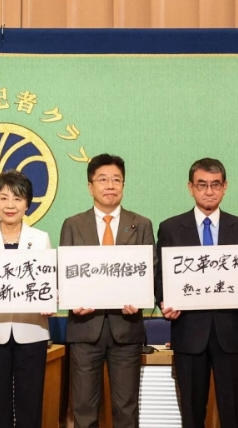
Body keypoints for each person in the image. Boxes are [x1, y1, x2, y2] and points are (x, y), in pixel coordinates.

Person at [155, 157, 238, 428]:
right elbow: (160, 275)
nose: (209, 191)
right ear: (190, 187)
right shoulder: (170, 228)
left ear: (225, 187)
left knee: (235, 411)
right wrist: (163, 301)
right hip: (188, 333)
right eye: (202, 184)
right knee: (191, 414)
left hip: (231, 333)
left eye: (215, 185)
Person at [59, 153, 154, 428]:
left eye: (116, 179)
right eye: (103, 179)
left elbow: (150, 270)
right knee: (84, 409)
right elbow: (67, 271)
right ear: (90, 186)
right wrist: (72, 301)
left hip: (126, 326)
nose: (110, 185)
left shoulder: (142, 224)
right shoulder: (73, 224)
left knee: (126, 409)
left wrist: (140, 299)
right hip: (85, 327)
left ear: (123, 185)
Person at [0, 170, 51, 428]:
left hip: (32, 332)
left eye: (17, 199)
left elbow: (46, 283)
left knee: (30, 404)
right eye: (3, 198)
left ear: (27, 204)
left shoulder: (41, 239)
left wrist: (50, 299)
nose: (10, 205)